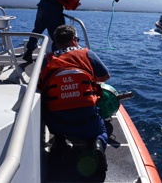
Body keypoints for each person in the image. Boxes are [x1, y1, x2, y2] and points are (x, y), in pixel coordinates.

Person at [37, 25, 110, 172]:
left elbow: (40, 86)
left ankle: (59, 141)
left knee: (46, 102)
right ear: (74, 40)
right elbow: (105, 77)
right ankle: (97, 144)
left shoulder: (48, 59)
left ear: (56, 43)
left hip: (58, 123)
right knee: (102, 129)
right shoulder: (87, 53)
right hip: (87, 120)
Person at [23, 0, 121, 63]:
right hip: (53, 10)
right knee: (60, 36)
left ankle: (28, 53)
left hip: (43, 5)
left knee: (37, 30)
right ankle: (58, 62)